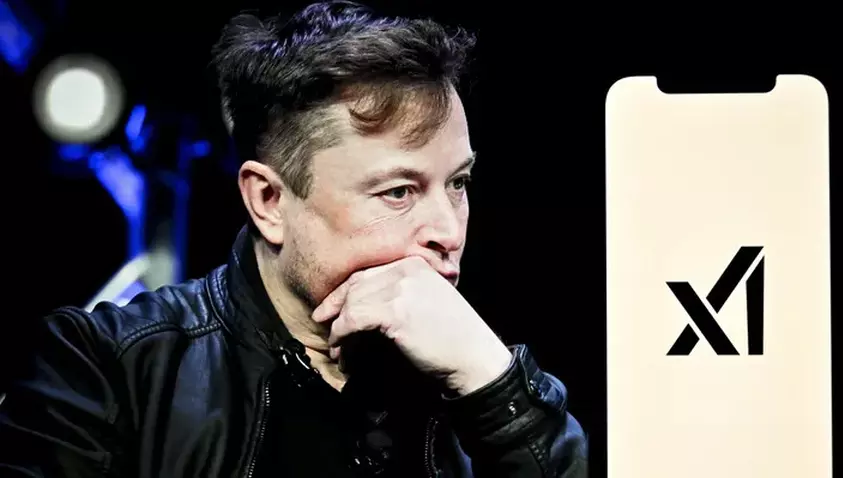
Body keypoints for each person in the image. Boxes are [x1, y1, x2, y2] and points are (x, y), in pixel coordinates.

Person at [0, 2, 588, 477]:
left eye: (458, 183)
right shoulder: (106, 371)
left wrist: (496, 389)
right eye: (398, 192)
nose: (448, 230)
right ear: (269, 201)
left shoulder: (484, 379)